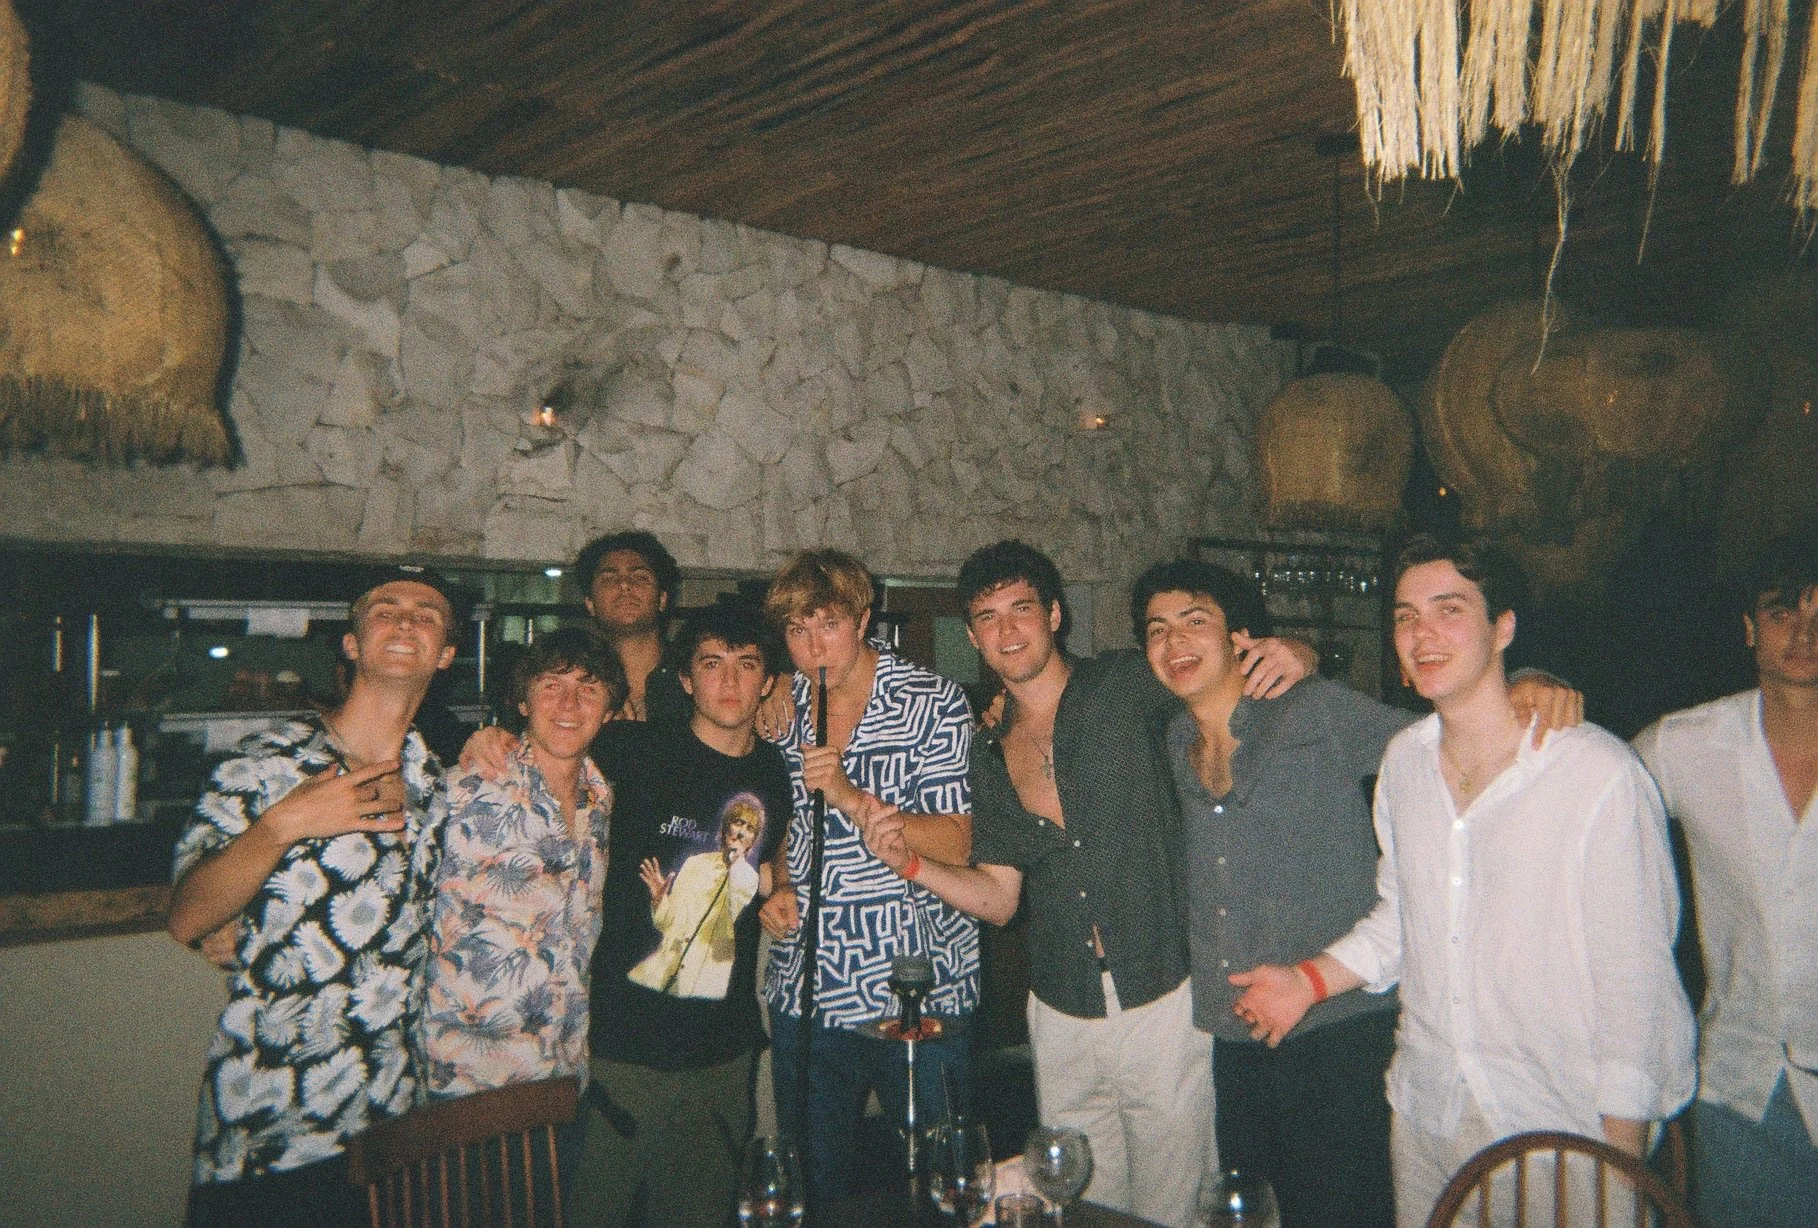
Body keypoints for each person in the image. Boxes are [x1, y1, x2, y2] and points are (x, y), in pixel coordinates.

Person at [1232, 535, 1696, 1228]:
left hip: (1561, 1133)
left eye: (1448, 610)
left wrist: (1616, 1169)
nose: (1422, 634)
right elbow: (1403, 917)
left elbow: (1637, 985)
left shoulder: (1597, 775)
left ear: (1502, 626)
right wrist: (1309, 981)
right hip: (1429, 1115)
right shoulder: (1404, 765)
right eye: (1405, 616)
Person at [871, 540, 1312, 1227]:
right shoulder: (987, 751)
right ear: (973, 636)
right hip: (1059, 1008)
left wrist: (1297, 653)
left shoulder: (1124, 684)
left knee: (1172, 1202)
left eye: (1021, 609)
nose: (1007, 630)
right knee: (1077, 1202)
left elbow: (1220, 673)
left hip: (1160, 992)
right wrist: (910, 864)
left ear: (1053, 614)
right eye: (987, 617)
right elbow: (999, 895)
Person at [1136, 557, 1581, 1227]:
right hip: (1235, 1033)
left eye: (1195, 622)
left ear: (1242, 639)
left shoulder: (1313, 710)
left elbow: (1443, 734)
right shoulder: (1174, 738)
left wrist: (1525, 682)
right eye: (1158, 629)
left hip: (1336, 1026)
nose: (1175, 643)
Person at [167, 575, 458, 1228]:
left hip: (389, 1121)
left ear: (446, 655)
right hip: (273, 1122)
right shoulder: (269, 762)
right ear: (353, 644)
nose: (406, 622)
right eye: (386, 611)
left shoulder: (434, 782)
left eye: (427, 616)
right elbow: (189, 915)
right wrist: (284, 824)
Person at [756, 549, 976, 1206]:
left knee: (941, 1181)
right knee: (813, 1182)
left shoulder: (931, 701)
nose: (812, 645)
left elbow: (958, 842)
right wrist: (781, 882)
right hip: (808, 986)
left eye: (826, 624)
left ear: (863, 616)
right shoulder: (784, 702)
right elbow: (783, 826)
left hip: (915, 984)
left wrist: (851, 796)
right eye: (796, 630)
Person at [573, 600, 793, 1228]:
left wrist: (781, 883)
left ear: (767, 683)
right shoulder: (631, 749)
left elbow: (772, 854)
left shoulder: (773, 770)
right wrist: (492, 739)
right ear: (687, 680)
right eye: (712, 664)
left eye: (747, 665)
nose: (730, 681)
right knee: (598, 1210)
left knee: (697, 1214)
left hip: (723, 1049)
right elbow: (545, 746)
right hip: (626, 1038)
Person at [1632, 526, 1818, 1228]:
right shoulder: (1686, 745)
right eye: (1783, 614)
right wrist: (1534, 686)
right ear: (1749, 628)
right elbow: (1585, 800)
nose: (1804, 634)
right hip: (1738, 1092)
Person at [420, 627, 624, 1098]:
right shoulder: (467, 788)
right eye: (552, 686)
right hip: (466, 1076)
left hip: (562, 1068)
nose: (569, 705)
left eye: (588, 691)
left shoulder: (602, 799)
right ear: (523, 703)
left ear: (608, 713)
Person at [573, 530, 690, 724]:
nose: (625, 585)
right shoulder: (572, 678)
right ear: (590, 603)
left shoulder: (695, 671)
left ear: (662, 599)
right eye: (609, 578)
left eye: (640, 577)